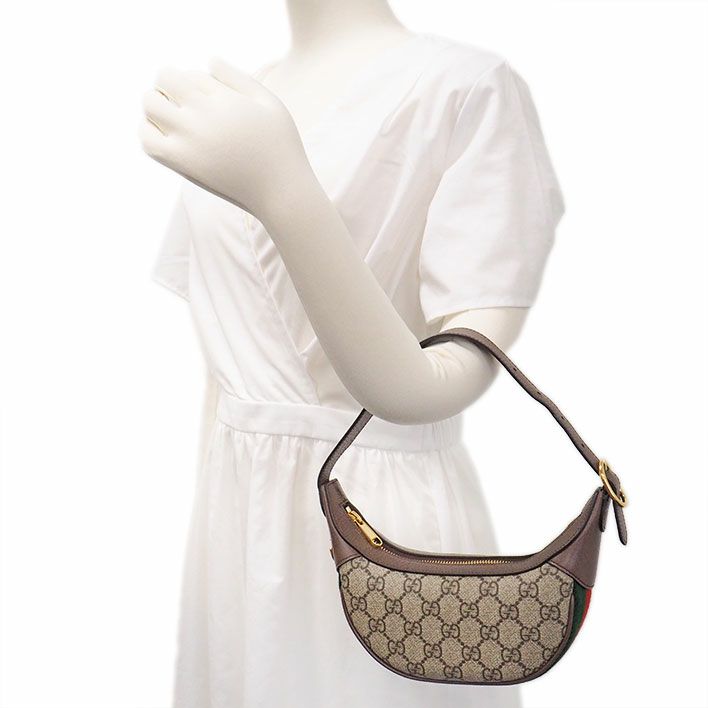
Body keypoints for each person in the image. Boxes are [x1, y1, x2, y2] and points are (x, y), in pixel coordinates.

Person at [139, 2, 565, 706]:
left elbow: (429, 386)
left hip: (384, 536)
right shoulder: (248, 94)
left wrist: (284, 190)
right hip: (238, 522)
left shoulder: (466, 88)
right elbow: (230, 372)